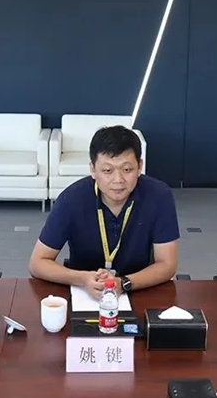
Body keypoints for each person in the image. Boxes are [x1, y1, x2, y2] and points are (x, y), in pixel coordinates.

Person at [28, 125, 180, 297]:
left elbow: (167, 265)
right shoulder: (71, 199)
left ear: (139, 166)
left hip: (139, 288)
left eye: (127, 170)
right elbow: (37, 263)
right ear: (93, 170)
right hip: (83, 292)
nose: (118, 180)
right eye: (107, 171)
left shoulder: (159, 196)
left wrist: (123, 283)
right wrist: (82, 278)